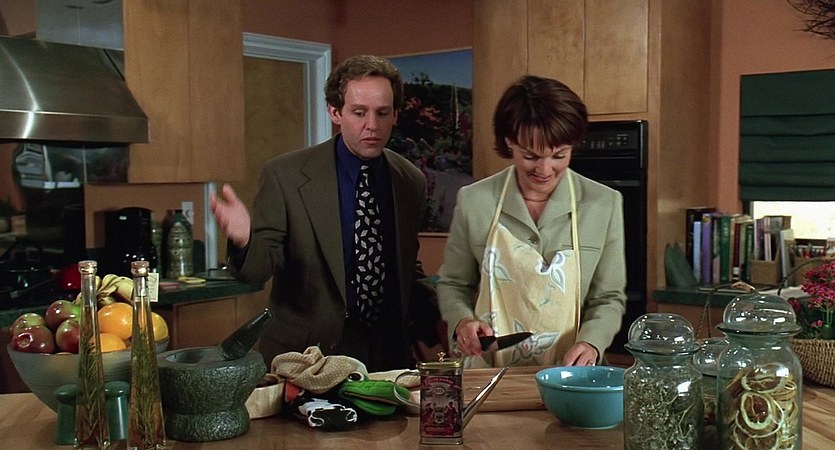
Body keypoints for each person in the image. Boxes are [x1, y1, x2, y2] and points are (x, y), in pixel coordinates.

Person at [210, 55, 427, 372]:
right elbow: (257, 271)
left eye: (382, 113)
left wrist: (453, 316)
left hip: (386, 356)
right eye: (359, 112)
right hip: (306, 356)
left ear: (395, 114)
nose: (372, 125)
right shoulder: (285, 175)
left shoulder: (410, 181)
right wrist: (244, 241)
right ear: (335, 112)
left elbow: (406, 269)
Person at [436, 75, 627, 368]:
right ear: (509, 142)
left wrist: (591, 342)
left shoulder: (603, 204)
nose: (545, 169)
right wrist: (463, 321)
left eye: (559, 155)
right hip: (487, 371)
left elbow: (609, 297)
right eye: (531, 156)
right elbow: (453, 284)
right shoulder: (475, 201)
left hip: (571, 375)